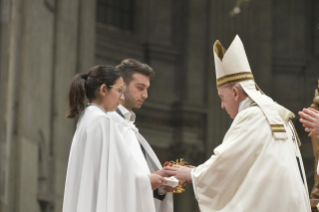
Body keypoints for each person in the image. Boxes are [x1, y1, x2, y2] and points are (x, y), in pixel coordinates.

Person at [165, 35, 311, 212]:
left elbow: (227, 161)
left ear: (235, 93)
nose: (222, 105)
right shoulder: (274, 115)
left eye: (222, 98)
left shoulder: (252, 116)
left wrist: (192, 174)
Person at [62, 65, 167, 212]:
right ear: (104, 90)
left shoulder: (89, 116)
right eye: (119, 91)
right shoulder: (102, 121)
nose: (122, 97)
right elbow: (111, 178)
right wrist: (146, 182)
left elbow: (105, 174)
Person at [108, 59, 174, 212]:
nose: (145, 95)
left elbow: (129, 174)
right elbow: (107, 178)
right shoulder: (109, 123)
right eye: (140, 88)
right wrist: (146, 181)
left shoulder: (127, 126)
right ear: (121, 86)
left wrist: (159, 178)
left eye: (147, 89)